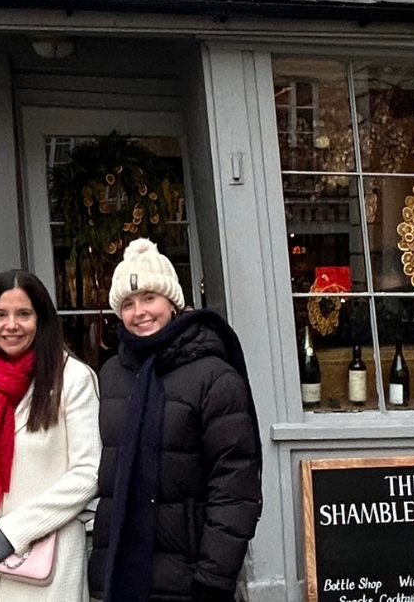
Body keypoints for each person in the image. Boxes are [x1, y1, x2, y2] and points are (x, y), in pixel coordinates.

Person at [88, 239, 263, 602]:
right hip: (121, 576)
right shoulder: (111, 375)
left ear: (173, 302)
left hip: (189, 577)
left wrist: (214, 576)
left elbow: (235, 483)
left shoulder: (214, 376)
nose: (139, 312)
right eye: (128, 304)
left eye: (149, 298)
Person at [0, 270, 101, 602]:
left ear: (41, 320)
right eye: (0, 315)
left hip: (44, 560)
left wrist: (14, 531)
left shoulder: (73, 379)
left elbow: (87, 473)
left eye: (24, 314)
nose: (11, 325)